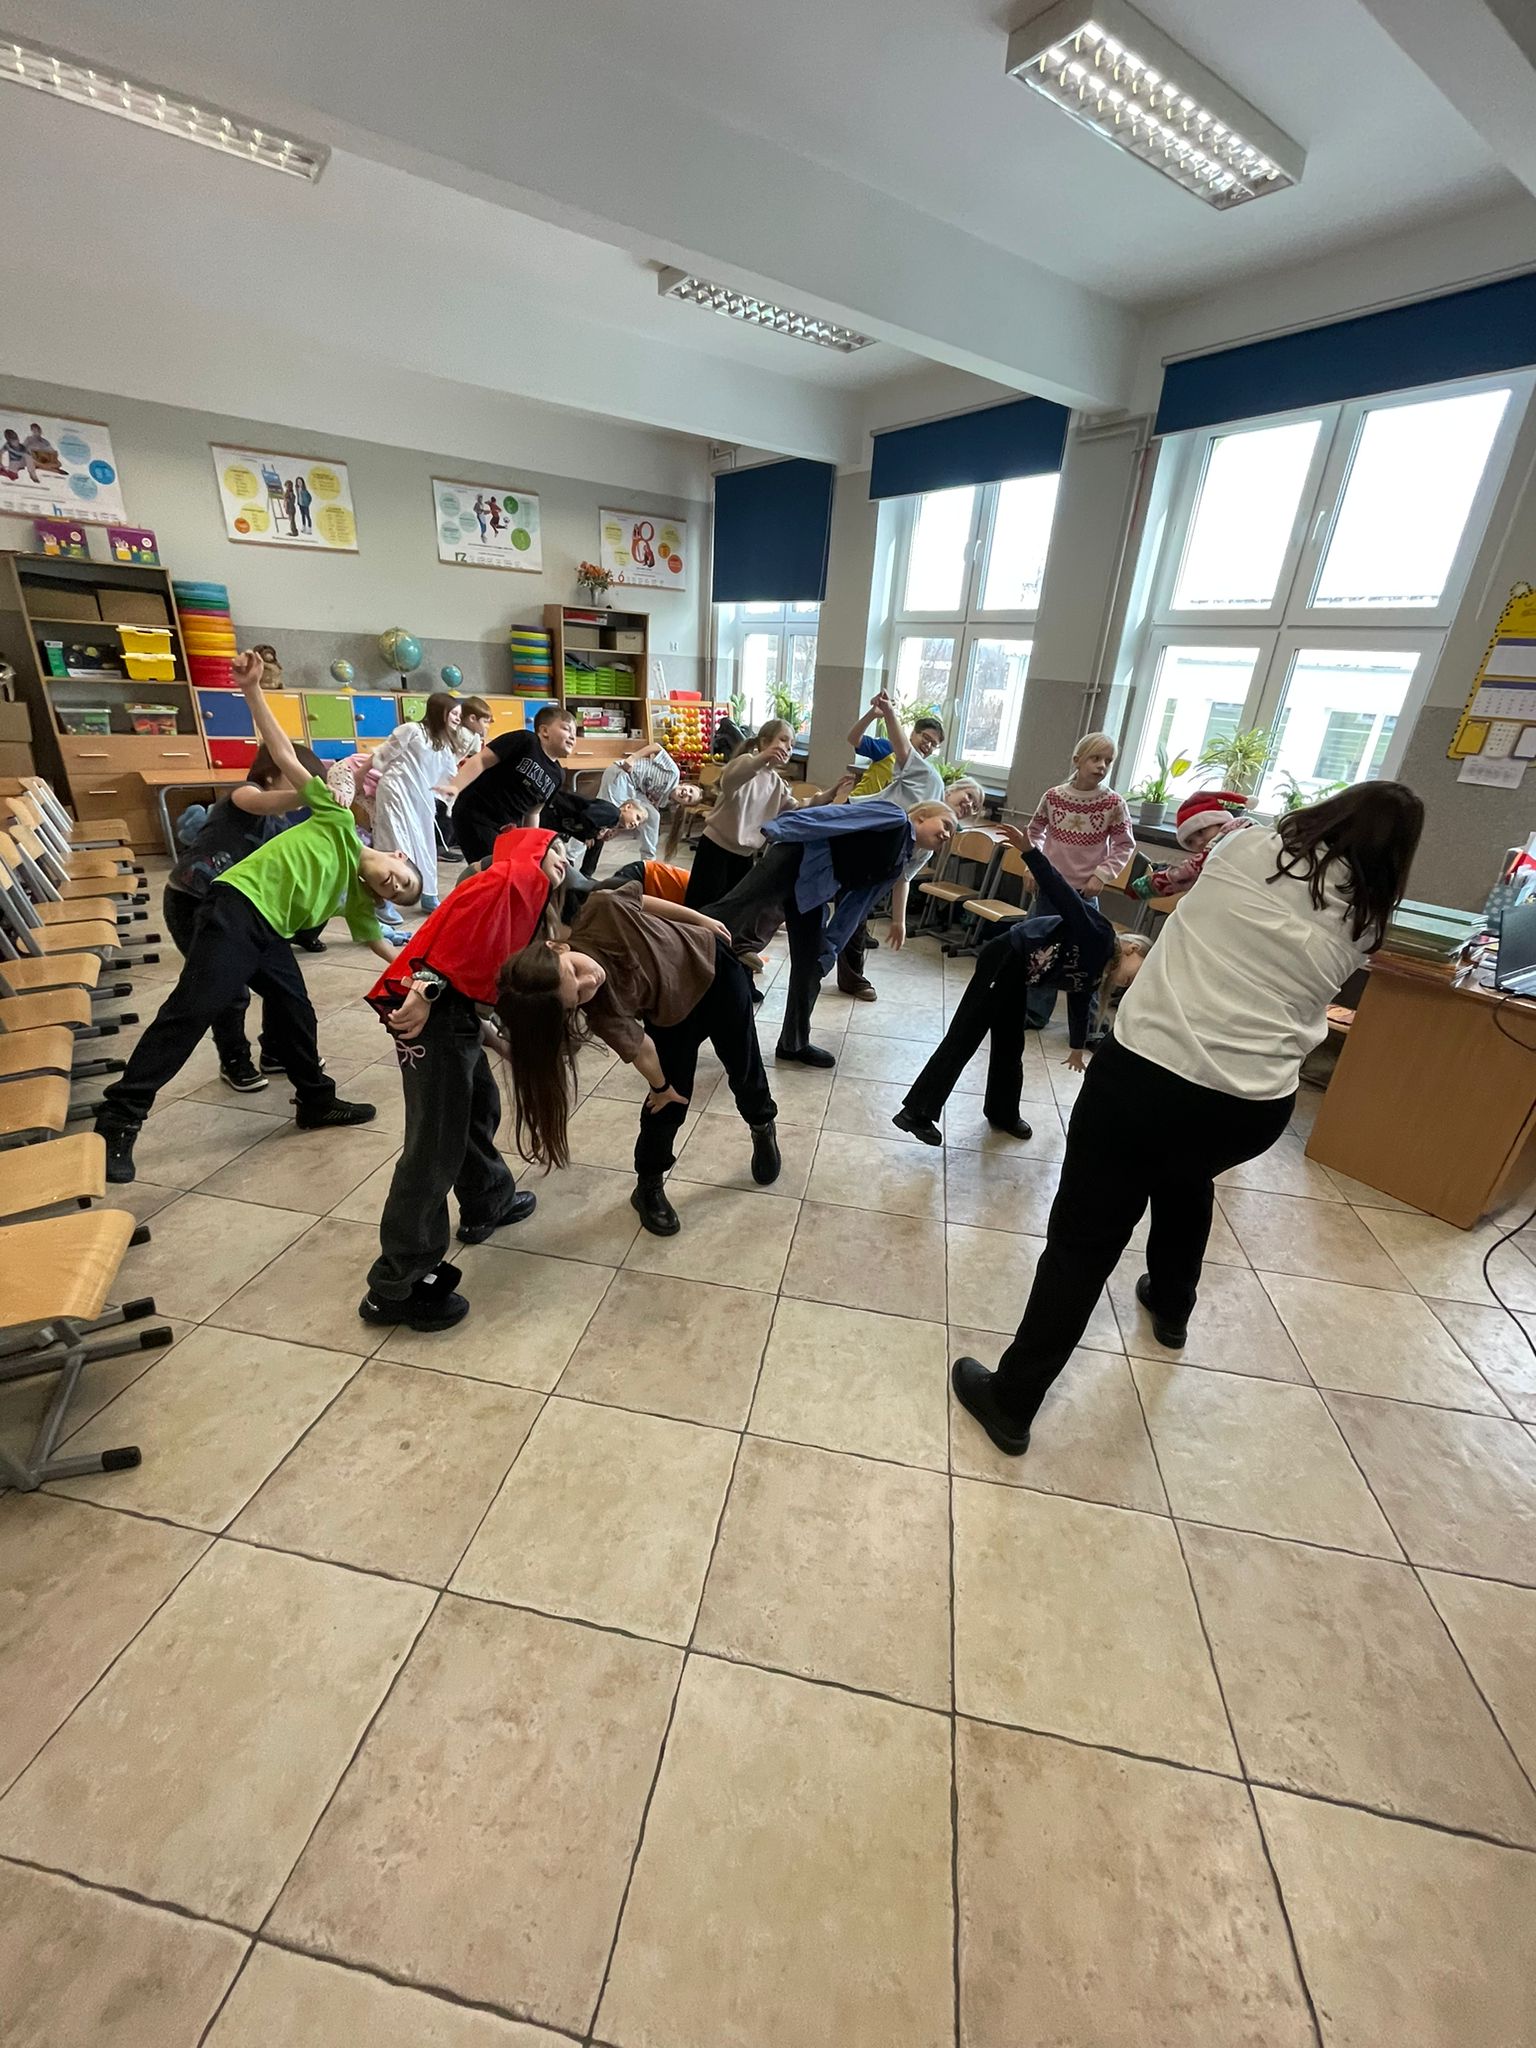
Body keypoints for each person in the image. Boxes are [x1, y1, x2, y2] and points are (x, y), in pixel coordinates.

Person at [951, 782, 1426, 1457]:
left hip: (1146, 1077)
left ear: (1326, 816)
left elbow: (1208, 853)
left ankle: (1012, 1400)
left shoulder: (1245, 847)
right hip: (1250, 1108)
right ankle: (1171, 1305)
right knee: (1185, 1175)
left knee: (1084, 1241)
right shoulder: (1367, 922)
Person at [94, 653, 420, 1183]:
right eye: (403, 879)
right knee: (193, 1009)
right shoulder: (335, 819)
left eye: (400, 896)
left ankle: (315, 1100)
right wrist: (252, 690)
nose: (396, 887)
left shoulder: (357, 899)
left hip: (268, 932)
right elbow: (284, 752)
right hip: (235, 906)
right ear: (398, 856)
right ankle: (119, 1116)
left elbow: (386, 950)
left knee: (295, 1008)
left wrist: (423, 979)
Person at [359, 827, 567, 1332]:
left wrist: (495, 1041)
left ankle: (486, 1200)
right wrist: (423, 992)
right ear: (530, 847)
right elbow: (447, 942)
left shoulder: (521, 897)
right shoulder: (504, 880)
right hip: (427, 1015)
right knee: (433, 1147)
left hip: (449, 1017)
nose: (563, 859)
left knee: (477, 1106)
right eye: (554, 848)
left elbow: (472, 973)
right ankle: (395, 1285)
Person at [496, 882, 779, 1237]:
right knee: (669, 1103)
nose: (590, 982)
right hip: (673, 1018)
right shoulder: (602, 1011)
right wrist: (662, 1087)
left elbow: (643, 902)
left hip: (716, 969)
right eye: (578, 997)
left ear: (558, 947)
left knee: (745, 1066)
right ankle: (649, 1184)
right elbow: (643, 1050)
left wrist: (700, 919)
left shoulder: (601, 910)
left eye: (575, 972)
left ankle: (762, 1125)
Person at [895, 837, 1149, 1146]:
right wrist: (1029, 852)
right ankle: (916, 1112)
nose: (1130, 983)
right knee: (966, 1034)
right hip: (1005, 956)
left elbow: (1079, 1001)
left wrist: (1076, 1046)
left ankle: (1002, 1112)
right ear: (1134, 949)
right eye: (1139, 973)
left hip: (1019, 975)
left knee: (1011, 1043)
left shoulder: (1099, 971)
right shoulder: (1100, 934)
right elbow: (1062, 893)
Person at [704, 798, 956, 1068]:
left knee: (811, 963)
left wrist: (831, 948)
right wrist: (783, 827)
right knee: (733, 910)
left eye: (950, 834)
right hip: (796, 857)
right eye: (945, 825)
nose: (946, 835)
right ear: (922, 816)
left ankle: (793, 1043)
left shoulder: (897, 865)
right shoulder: (895, 816)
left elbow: (857, 906)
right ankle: (675, 935)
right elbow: (835, 816)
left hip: (813, 888)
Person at [162, 737, 327, 1092]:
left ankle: (276, 1051)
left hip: (242, 910)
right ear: (270, 775)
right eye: (296, 775)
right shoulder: (245, 794)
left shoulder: (283, 828)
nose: (304, 785)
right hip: (192, 903)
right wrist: (314, 794)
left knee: (283, 986)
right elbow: (261, 803)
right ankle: (234, 1058)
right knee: (228, 989)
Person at [1023, 731, 1136, 1028]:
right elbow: (1034, 832)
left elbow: (1125, 845)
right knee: (1041, 951)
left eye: (1108, 761)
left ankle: (1088, 1024)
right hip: (1049, 890)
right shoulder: (1053, 797)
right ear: (1077, 760)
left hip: (1084, 894)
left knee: (1089, 958)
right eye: (1095, 758)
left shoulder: (1113, 803)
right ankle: (1035, 1012)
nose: (1101, 766)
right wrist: (1034, 866)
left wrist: (1102, 874)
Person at [444, 704, 629, 864]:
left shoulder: (557, 775)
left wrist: (530, 845)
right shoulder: (526, 741)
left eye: (575, 733)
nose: (573, 737)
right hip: (475, 813)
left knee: (507, 870)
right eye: (566, 729)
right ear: (544, 731)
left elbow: (534, 812)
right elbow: (482, 760)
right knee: (492, 869)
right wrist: (456, 785)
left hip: (504, 826)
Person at [370, 693, 463, 913]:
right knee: (394, 841)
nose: (458, 719)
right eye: (454, 714)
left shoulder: (443, 743)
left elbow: (450, 775)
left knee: (425, 844)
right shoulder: (411, 730)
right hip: (396, 791)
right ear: (440, 712)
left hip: (421, 799)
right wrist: (359, 776)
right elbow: (382, 754)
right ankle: (383, 902)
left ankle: (429, 894)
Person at [584, 743, 702, 871]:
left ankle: (648, 863)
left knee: (653, 816)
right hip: (624, 774)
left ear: (682, 804)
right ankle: (571, 856)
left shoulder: (663, 801)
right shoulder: (673, 773)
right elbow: (656, 747)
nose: (687, 794)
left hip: (634, 789)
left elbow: (632, 810)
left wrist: (617, 829)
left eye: (689, 798)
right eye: (690, 790)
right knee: (603, 818)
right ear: (685, 784)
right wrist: (632, 758)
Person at [1129, 790, 1250, 903]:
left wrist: (1143, 887)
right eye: (1190, 842)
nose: (1198, 843)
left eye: (1201, 832)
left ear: (1220, 823)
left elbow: (1185, 874)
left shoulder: (1232, 832)